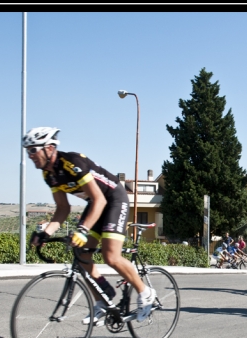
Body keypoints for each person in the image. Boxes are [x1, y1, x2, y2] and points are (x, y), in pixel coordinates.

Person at [23, 127, 155, 326]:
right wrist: (46, 233)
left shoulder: (72, 163)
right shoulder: (48, 175)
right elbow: (62, 208)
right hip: (95, 204)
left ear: (49, 148)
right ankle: (103, 298)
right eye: (28, 151)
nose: (30, 155)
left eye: (33, 150)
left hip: (113, 200)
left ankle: (146, 293)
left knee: (111, 256)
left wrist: (82, 230)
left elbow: (100, 200)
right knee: (82, 255)